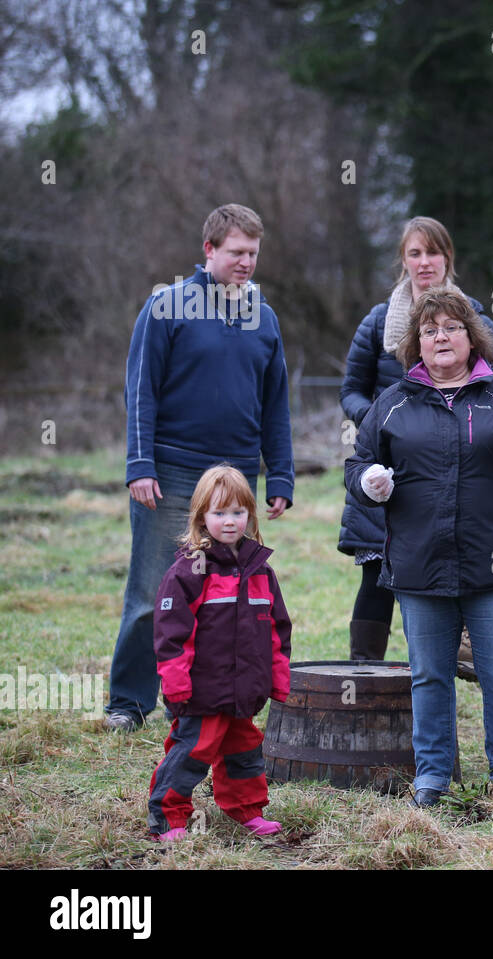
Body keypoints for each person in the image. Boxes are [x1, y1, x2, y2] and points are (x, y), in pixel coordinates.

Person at [344, 289, 493, 805]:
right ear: (416, 344)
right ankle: (432, 778)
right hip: (419, 565)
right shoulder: (392, 402)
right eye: (429, 330)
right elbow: (357, 465)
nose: (440, 336)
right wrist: (368, 482)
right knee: (429, 676)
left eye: (451, 327)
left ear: (473, 337)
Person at [107, 204, 294, 732]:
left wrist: (279, 474)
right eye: (236, 252)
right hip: (170, 471)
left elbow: (275, 404)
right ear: (209, 250)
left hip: (235, 480)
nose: (246, 263)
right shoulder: (166, 307)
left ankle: (199, 699)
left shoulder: (264, 317)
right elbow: (139, 388)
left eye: (253, 254)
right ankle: (129, 702)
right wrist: (140, 463)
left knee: (224, 594)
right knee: (155, 589)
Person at [338, 216, 493, 661]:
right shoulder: (377, 322)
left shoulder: (473, 315)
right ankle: (364, 673)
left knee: (450, 573)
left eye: (433, 252)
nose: (424, 261)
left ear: (447, 258)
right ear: (404, 260)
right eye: (415, 253)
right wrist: (378, 418)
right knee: (375, 574)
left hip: (453, 463)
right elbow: (350, 388)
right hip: (385, 466)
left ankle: (448, 666)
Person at [147, 465, 292, 841]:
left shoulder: (262, 573)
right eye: (219, 513)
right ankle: (169, 816)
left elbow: (277, 631)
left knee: (244, 753)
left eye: (238, 512)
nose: (229, 521)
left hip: (244, 690)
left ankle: (246, 810)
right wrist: (176, 687)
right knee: (192, 753)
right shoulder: (188, 573)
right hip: (202, 692)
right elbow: (171, 636)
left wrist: (276, 679)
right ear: (201, 517)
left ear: (250, 515)